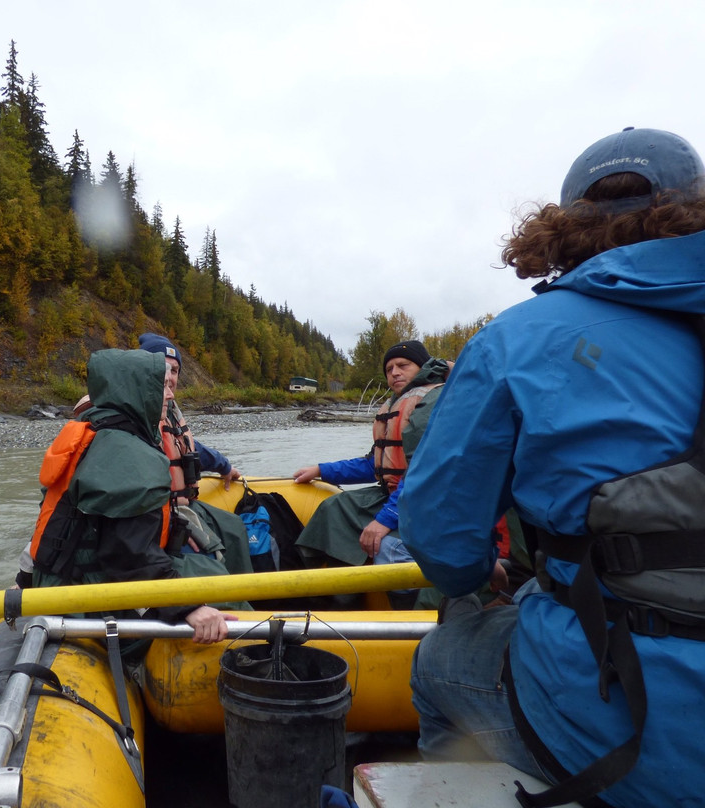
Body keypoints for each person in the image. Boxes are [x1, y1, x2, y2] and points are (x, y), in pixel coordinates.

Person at [399, 127, 705, 808]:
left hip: (633, 721)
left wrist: (483, 575)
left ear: (563, 227)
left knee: (438, 661)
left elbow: (442, 540)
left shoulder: (517, 340)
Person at [29, 348, 235, 645]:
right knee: (222, 587)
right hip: (90, 605)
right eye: (159, 386)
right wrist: (189, 607)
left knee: (207, 560)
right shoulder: (127, 456)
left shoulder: (97, 432)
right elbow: (128, 555)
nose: (168, 395)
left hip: (63, 585)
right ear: (137, 392)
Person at [291, 340, 450, 608]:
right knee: (334, 508)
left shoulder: (434, 401)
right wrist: (321, 470)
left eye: (403, 365)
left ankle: (407, 614)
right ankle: (333, 597)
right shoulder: (397, 404)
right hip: (397, 493)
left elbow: (428, 472)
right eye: (389, 369)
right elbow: (374, 463)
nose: (395, 373)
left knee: (391, 547)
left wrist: (386, 519)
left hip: (430, 500)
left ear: (422, 366)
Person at [137, 332, 253, 575]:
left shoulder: (168, 413)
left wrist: (225, 466)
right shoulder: (132, 418)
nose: (169, 377)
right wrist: (170, 524)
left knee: (234, 528)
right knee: (210, 558)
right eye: (161, 368)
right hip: (153, 523)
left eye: (175, 370)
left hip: (179, 507)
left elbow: (189, 448)